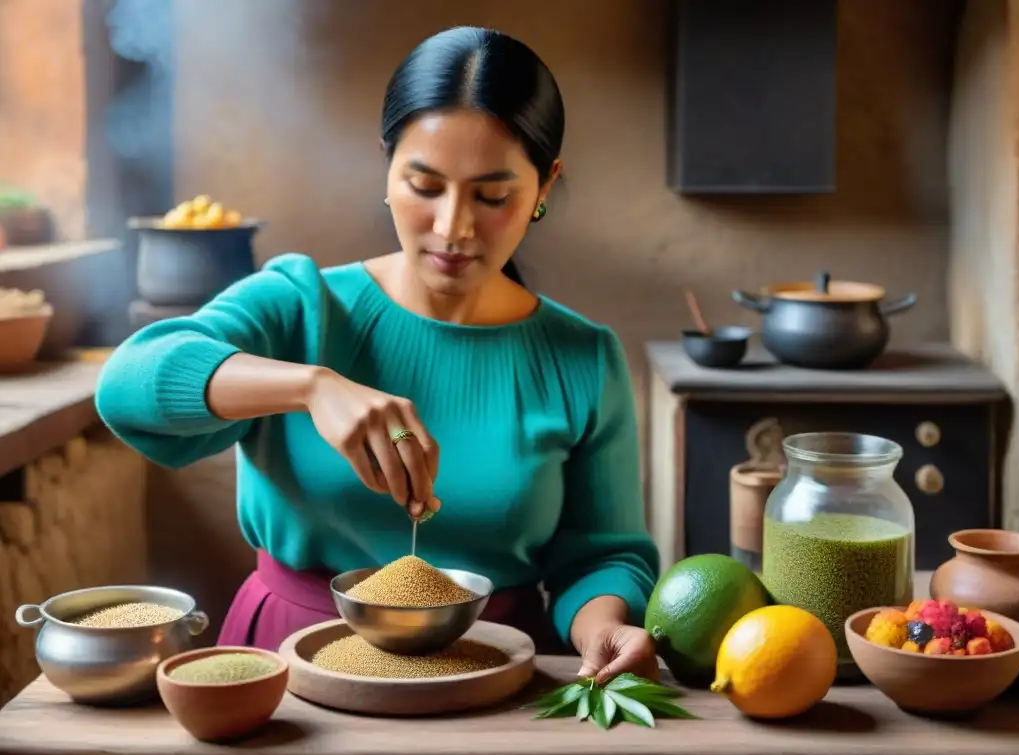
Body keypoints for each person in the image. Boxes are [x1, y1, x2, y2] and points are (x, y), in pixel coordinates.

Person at [95, 26, 660, 684]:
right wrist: (311, 386)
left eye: (492, 196)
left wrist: (606, 626)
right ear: (387, 169)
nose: (453, 227)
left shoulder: (581, 358)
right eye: (424, 186)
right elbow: (129, 383)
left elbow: (602, 555)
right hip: (288, 668)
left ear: (543, 188)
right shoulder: (301, 305)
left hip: (497, 674)